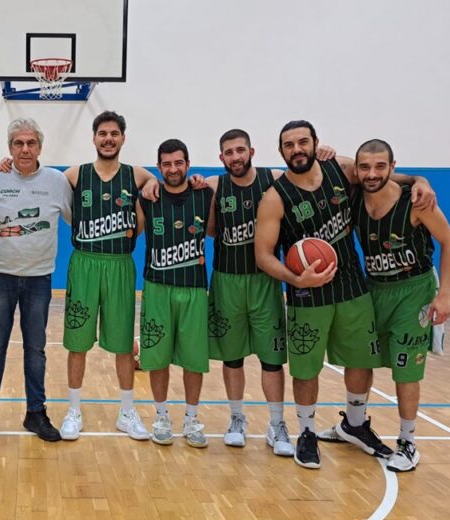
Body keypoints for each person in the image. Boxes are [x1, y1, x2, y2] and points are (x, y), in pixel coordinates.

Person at [254, 120, 435, 469]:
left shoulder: (342, 170)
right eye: (289, 145)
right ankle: (306, 432)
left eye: (302, 142)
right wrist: (296, 278)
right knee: (306, 368)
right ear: (281, 152)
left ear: (316, 143)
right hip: (308, 296)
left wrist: (421, 181)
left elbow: (386, 177)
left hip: (352, 286)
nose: (297, 150)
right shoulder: (275, 198)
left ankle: (354, 423)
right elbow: (263, 255)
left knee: (360, 360)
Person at [201, 130, 329, 456]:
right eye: (228, 152)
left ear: (252, 151)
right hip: (227, 280)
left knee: (272, 359)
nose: (235, 157)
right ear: (221, 158)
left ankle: (276, 424)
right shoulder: (216, 187)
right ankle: (236, 419)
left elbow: (326, 167)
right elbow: (211, 227)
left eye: (240, 150)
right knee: (232, 357)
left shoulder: (273, 181)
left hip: (264, 282)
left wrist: (327, 153)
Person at [0, 117, 72, 443]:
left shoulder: (56, 181)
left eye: (31, 143)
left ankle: (35, 413)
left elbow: (75, 217)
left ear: (40, 146)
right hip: (0, 276)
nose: (25, 149)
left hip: (39, 279)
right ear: (10, 147)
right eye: (18, 143)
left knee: (35, 349)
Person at [348, 139, 450, 472]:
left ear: (392, 168)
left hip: (414, 292)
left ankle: (408, 442)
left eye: (380, 166)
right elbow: (332, 159)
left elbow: (449, 242)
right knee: (358, 358)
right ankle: (352, 424)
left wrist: (445, 294)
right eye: (364, 167)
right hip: (375, 288)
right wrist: (418, 176)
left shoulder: (416, 203)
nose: (371, 173)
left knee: (405, 368)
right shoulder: (354, 200)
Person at [57, 111, 159, 441]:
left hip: (119, 264)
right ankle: (74, 409)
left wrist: (154, 183)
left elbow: (156, 185)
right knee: (77, 342)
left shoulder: (137, 175)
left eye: (114, 133)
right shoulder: (76, 175)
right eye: (102, 133)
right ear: (94, 138)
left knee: (121, 344)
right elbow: (45, 188)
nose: (108, 139)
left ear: (123, 138)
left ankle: (127, 412)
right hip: (84, 263)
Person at [135, 139, 212, 448]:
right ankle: (161, 414)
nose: (173, 169)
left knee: (194, 360)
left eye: (178, 163)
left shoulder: (204, 194)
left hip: (194, 288)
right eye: (166, 164)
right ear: (159, 167)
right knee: (157, 357)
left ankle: (192, 418)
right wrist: (149, 182)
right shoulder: (149, 197)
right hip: (157, 287)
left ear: (188, 164)